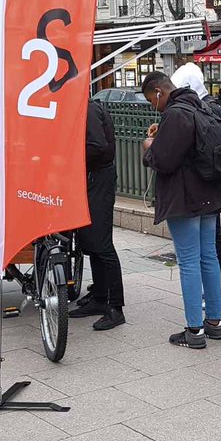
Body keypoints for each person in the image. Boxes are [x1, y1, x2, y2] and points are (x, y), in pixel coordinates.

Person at [141, 72, 221, 349]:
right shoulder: (201, 105)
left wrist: (148, 147)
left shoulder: (175, 114)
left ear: (159, 91)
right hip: (210, 193)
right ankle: (215, 323)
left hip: (186, 197)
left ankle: (194, 330)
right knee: (209, 257)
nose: (153, 106)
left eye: (151, 100)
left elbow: (164, 160)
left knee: (189, 261)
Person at [170, 59, 221, 307]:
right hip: (215, 180)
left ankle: (220, 289)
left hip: (206, 182)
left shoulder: (201, 109)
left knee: (211, 244)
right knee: (211, 242)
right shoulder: (213, 107)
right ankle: (218, 292)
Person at [69, 98, 127, 330]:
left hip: (98, 179)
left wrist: (69, 157)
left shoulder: (89, 109)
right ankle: (100, 297)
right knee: (91, 242)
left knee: (101, 244)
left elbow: (98, 146)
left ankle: (115, 307)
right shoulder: (85, 107)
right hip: (92, 177)